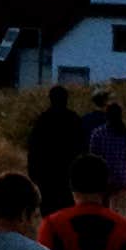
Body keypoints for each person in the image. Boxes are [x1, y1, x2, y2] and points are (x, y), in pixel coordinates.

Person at [24, 85, 87, 222]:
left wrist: (32, 171)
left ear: (50, 99)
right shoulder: (74, 119)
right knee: (68, 211)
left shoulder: (43, 119)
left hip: (47, 174)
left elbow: (33, 148)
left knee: (48, 211)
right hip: (68, 173)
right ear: (66, 99)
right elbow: (83, 148)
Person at [85, 94, 126, 197]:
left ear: (106, 116)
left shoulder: (97, 133)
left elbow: (93, 158)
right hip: (122, 178)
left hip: (103, 179)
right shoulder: (125, 134)